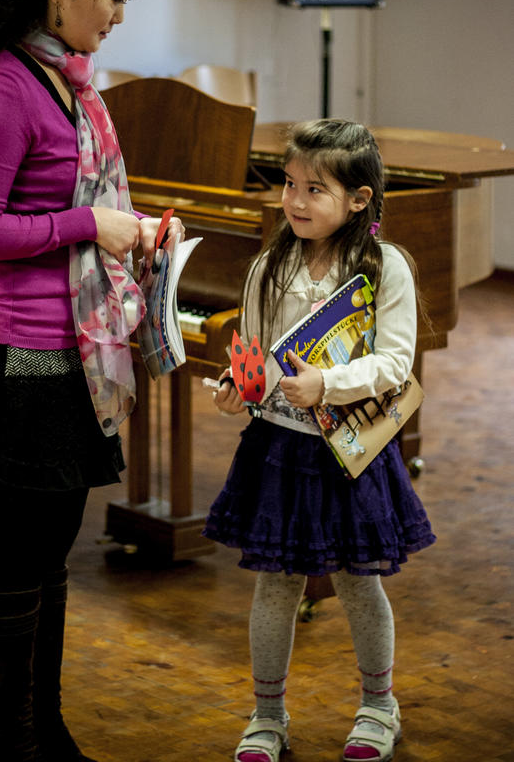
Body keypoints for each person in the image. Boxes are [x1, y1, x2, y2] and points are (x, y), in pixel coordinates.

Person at [0, 0, 184, 762]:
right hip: (25, 354)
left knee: (53, 551)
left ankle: (47, 728)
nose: (118, 13)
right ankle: (4, 741)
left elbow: (80, 203)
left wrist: (137, 230)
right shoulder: (3, 87)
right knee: (26, 550)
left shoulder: (65, 78)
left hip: (76, 350)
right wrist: (91, 228)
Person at [203, 119, 436, 762]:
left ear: (359, 199)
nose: (296, 201)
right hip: (278, 447)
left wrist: (328, 383)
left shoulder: (385, 267)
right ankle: (268, 714)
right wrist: (235, 387)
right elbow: (253, 357)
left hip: (349, 454)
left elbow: (394, 363)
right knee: (276, 582)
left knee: (359, 581)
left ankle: (379, 705)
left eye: (315, 189)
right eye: (289, 184)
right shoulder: (267, 265)